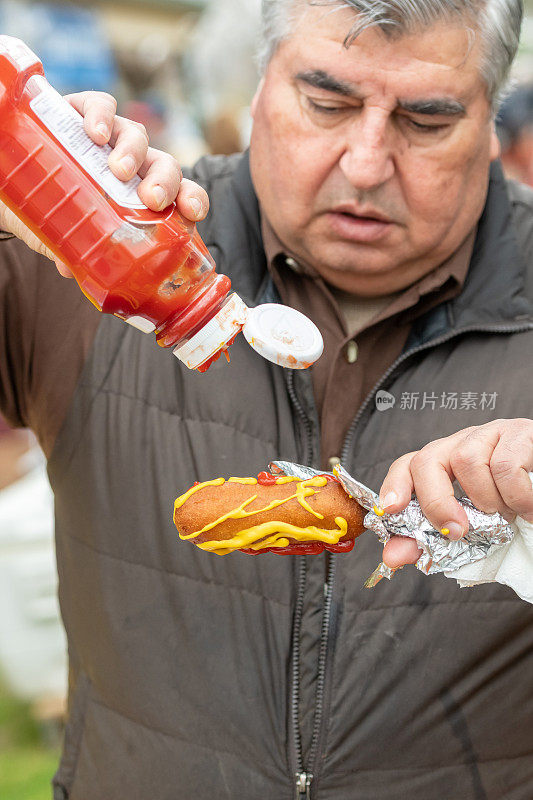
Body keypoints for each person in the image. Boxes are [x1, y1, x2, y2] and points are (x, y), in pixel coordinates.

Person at [1, 1, 533, 797]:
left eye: (424, 121)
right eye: (326, 104)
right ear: (257, 90)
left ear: (490, 122)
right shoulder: (89, 251)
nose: (363, 162)